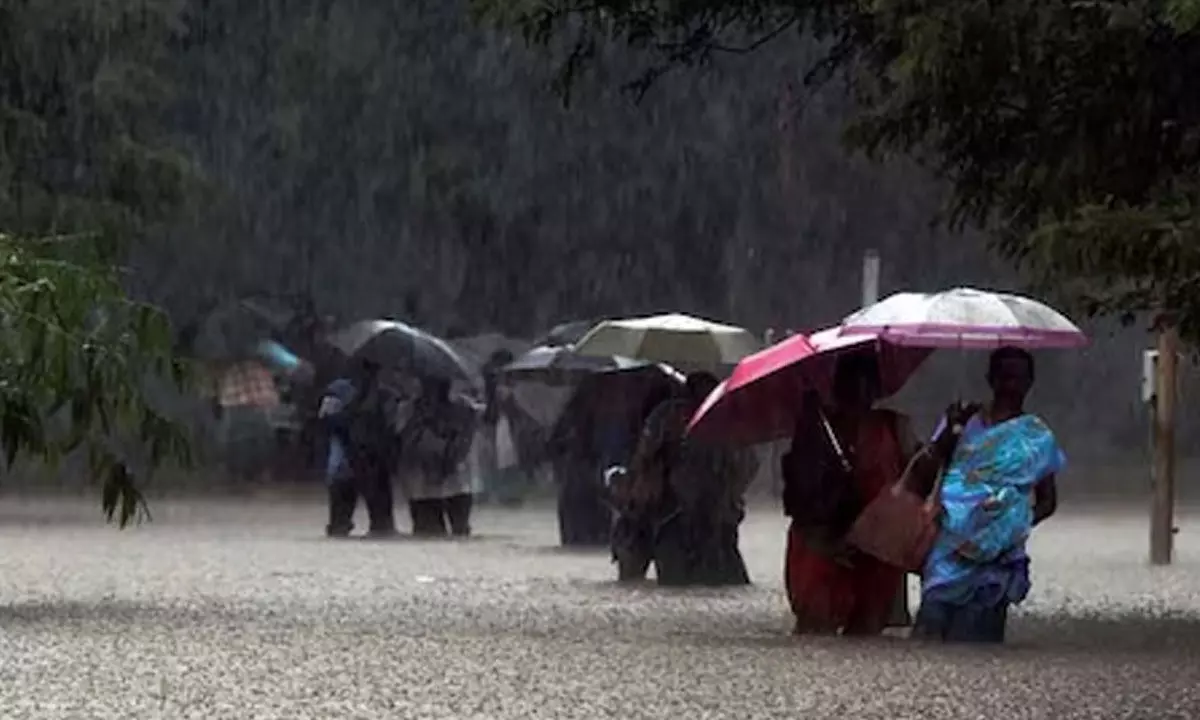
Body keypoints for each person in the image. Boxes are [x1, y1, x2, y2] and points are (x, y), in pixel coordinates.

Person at [909, 346, 1064, 644]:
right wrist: (949, 431)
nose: (1010, 385)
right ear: (990, 378)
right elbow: (924, 474)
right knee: (928, 636)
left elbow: (1047, 502)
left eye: (1018, 378)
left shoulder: (1036, 438)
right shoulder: (963, 420)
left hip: (995, 564)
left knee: (977, 647)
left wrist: (1007, 527)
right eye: (1004, 376)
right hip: (948, 551)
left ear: (1030, 382)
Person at [782, 352, 920, 635]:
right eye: (850, 382)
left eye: (866, 382)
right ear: (836, 385)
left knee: (867, 636)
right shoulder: (816, 427)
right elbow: (799, 491)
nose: (859, 391)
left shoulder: (894, 428)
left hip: (877, 550)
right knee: (815, 633)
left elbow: (915, 484)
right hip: (821, 546)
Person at [617, 372, 757, 586]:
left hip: (683, 515)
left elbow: (643, 457)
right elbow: (748, 464)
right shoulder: (723, 418)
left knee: (680, 582)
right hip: (702, 516)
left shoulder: (667, 416)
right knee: (721, 582)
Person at [319, 359, 398, 537]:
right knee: (378, 525)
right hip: (357, 462)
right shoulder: (340, 391)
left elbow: (324, 420)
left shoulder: (385, 395)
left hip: (366, 462)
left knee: (376, 524)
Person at [397, 377, 480, 537]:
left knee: (441, 531)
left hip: (446, 483)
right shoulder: (410, 409)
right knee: (439, 531)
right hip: (431, 484)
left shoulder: (464, 408)